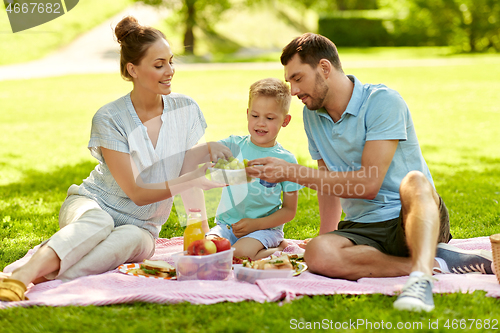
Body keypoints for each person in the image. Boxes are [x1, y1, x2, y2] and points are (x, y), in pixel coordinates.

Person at [246, 33, 495, 312]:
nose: (293, 90)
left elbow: (368, 184)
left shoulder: (382, 102)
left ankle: (420, 281)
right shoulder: (311, 114)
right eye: (290, 81)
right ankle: (437, 262)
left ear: (324, 69)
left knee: (415, 181)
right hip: (363, 228)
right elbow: (327, 180)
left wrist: (292, 172)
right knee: (317, 254)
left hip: (410, 215)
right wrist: (325, 234)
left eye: (298, 78)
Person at [0, 16, 231, 302]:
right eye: (159, 65)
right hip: (93, 204)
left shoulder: (185, 109)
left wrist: (201, 235)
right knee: (99, 223)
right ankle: (22, 277)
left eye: (171, 61)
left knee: (128, 239)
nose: (170, 70)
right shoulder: (110, 118)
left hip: (143, 228)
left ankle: (38, 277)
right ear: (132, 69)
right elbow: (137, 192)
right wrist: (190, 179)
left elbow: (185, 169)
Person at [206, 78, 303, 260]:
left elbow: (290, 210)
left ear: (285, 120)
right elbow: (207, 153)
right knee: (205, 248)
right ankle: (253, 249)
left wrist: (256, 224)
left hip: (264, 229)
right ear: (248, 113)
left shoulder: (286, 160)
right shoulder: (234, 145)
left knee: (239, 255)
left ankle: (280, 249)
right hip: (227, 225)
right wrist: (216, 165)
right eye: (255, 116)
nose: (260, 123)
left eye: (270, 118)